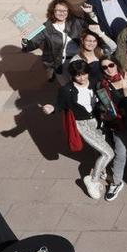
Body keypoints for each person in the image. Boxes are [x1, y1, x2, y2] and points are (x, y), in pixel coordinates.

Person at [44, 60, 116, 200]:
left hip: (98, 121)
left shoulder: (95, 82)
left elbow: (105, 96)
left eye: (84, 74)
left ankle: (100, 171)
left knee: (100, 148)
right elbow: (59, 106)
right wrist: (51, 109)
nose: (82, 78)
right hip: (83, 124)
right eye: (78, 75)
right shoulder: (66, 90)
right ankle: (93, 180)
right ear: (72, 76)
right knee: (108, 153)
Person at [22, 0, 90, 82]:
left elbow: (93, 27)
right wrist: (26, 39)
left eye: (65, 10)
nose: (62, 13)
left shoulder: (75, 21)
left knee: (83, 83)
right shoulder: (46, 27)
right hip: (59, 63)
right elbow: (32, 44)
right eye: (58, 10)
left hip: (78, 59)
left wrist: (90, 13)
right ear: (53, 11)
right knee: (67, 87)